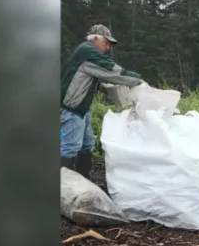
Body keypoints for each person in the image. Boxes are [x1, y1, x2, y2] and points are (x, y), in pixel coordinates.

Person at [60, 24, 144, 178]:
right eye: (106, 43)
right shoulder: (88, 51)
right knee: (70, 147)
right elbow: (113, 72)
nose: (108, 48)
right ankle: (65, 187)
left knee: (87, 144)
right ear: (96, 39)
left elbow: (94, 78)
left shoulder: (87, 53)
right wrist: (137, 80)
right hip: (71, 108)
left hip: (81, 108)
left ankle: (84, 181)